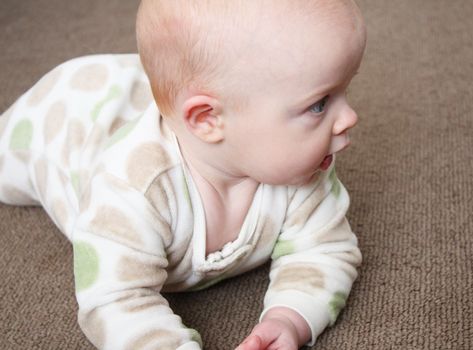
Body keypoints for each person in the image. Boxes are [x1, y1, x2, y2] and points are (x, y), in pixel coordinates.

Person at [0, 0, 366, 349]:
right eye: (319, 104)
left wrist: (290, 319)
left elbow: (327, 250)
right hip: (67, 119)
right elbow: (115, 300)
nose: (349, 117)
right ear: (208, 119)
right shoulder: (133, 189)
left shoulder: (302, 169)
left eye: (344, 89)